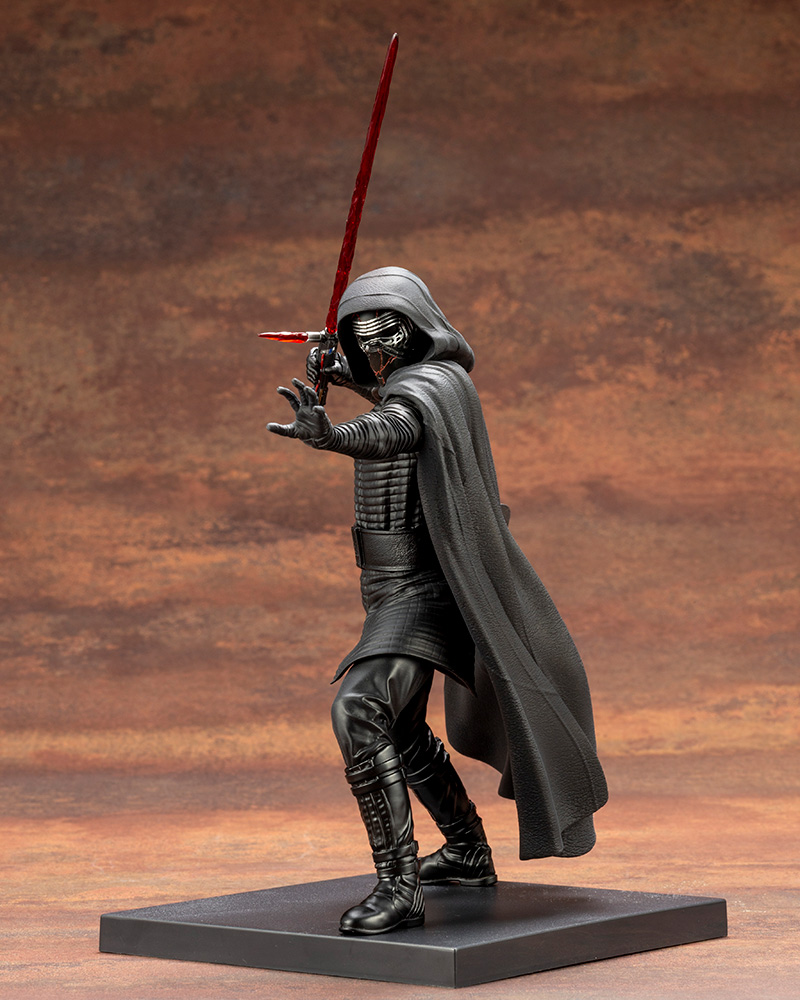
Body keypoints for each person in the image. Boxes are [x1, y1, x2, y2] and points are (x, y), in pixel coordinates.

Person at [268, 266, 608, 936]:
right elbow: (386, 391)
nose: (378, 348)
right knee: (398, 723)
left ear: (420, 325)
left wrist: (331, 435)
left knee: (359, 709)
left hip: (426, 586)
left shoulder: (435, 386)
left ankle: (399, 887)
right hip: (383, 584)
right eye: (364, 338)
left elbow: (393, 426)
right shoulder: (410, 382)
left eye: (389, 331)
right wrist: (336, 370)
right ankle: (467, 851)